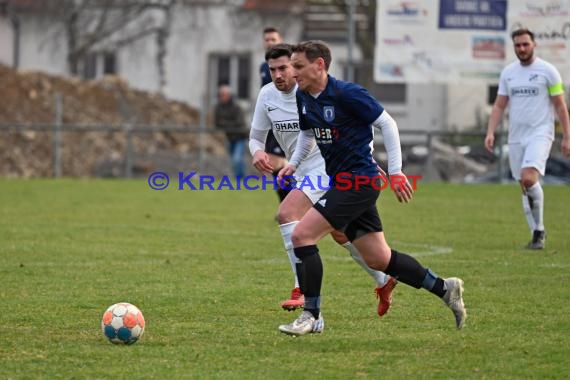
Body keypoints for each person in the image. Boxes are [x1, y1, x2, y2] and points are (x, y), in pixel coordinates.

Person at [277, 40, 466, 336]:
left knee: (302, 234)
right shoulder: (304, 96)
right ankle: (445, 288)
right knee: (379, 258)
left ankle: (311, 314)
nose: (293, 72)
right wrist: (294, 163)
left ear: (320, 65)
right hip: (342, 181)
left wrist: (396, 172)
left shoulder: (347, 94)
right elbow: (307, 134)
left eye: (298, 66)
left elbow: (387, 124)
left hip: (358, 181)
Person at [249, 43, 397, 320]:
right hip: (300, 170)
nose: (279, 75)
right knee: (341, 234)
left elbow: (351, 127)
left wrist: (369, 160)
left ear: (296, 66)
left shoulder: (310, 93)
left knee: (286, 214)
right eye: (273, 70)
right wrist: (257, 151)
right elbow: (256, 137)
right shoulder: (267, 95)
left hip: (325, 168)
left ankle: (301, 289)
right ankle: (383, 278)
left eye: (285, 67)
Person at [485, 28, 570, 250]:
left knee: (529, 178)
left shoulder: (548, 71)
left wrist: (567, 137)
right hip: (516, 137)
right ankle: (535, 234)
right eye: (518, 45)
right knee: (523, 185)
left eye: (525, 44)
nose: (522, 49)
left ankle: (539, 230)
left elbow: (561, 106)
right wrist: (490, 132)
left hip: (541, 133)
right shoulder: (508, 73)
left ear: (534, 45)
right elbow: (500, 105)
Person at [259, 27, 290, 203]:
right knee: (275, 163)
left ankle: (289, 204)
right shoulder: (264, 67)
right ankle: (288, 205)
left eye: (273, 39)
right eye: (267, 39)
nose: (270, 42)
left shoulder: (290, 65)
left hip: (286, 120)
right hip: (272, 120)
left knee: (277, 162)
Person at [214, 84, 249, 179]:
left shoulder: (236, 107)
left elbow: (239, 123)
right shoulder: (218, 108)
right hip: (229, 137)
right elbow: (217, 124)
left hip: (240, 137)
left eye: (224, 94)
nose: (222, 97)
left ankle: (240, 179)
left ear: (229, 95)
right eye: (220, 95)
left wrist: (225, 123)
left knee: (237, 159)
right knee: (233, 160)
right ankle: (239, 178)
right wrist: (227, 124)